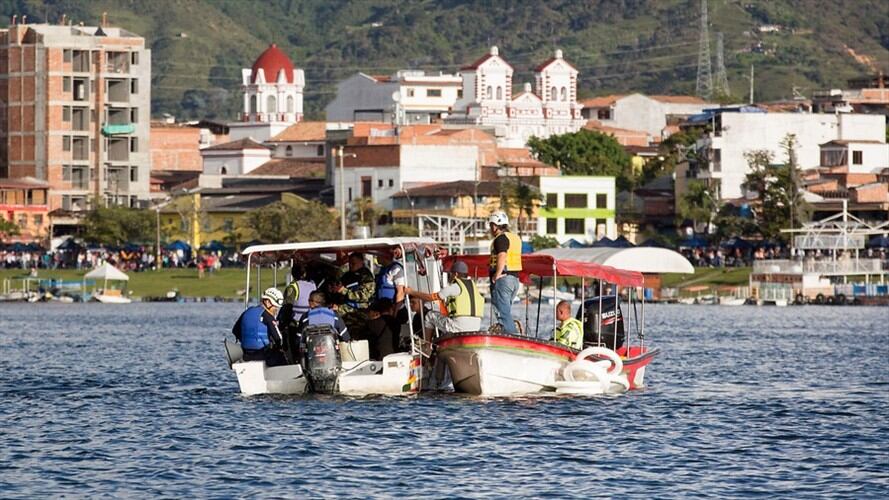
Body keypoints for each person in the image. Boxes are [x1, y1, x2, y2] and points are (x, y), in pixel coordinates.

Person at [405, 260, 483, 333]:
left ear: (455, 274)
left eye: (450, 274)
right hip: (476, 327)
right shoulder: (474, 288)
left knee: (429, 315)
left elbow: (431, 297)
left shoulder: (454, 287)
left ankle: (427, 346)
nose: (449, 276)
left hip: (458, 327)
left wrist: (411, 292)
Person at [232, 287, 287, 366]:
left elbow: (235, 330)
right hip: (264, 355)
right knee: (283, 357)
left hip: (246, 355)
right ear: (267, 302)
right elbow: (279, 339)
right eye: (275, 307)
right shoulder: (268, 317)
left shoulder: (247, 311)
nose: (276, 310)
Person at [487, 210, 522, 333]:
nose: (490, 228)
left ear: (495, 225)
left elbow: (502, 255)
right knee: (505, 312)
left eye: (491, 225)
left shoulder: (500, 239)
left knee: (503, 314)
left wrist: (497, 274)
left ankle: (513, 339)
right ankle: (506, 335)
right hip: (514, 280)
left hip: (503, 279)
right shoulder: (514, 238)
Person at [331, 252, 375, 339]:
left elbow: (364, 296)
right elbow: (340, 287)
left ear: (361, 262)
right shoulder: (347, 275)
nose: (351, 265)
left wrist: (344, 291)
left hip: (359, 314)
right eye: (350, 263)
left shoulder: (366, 277)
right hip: (344, 313)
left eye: (353, 263)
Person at [279, 263, 317, 328]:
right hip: (311, 321)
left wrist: (282, 324)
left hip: (296, 323)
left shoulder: (293, 287)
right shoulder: (313, 284)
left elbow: (287, 307)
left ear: (293, 274)